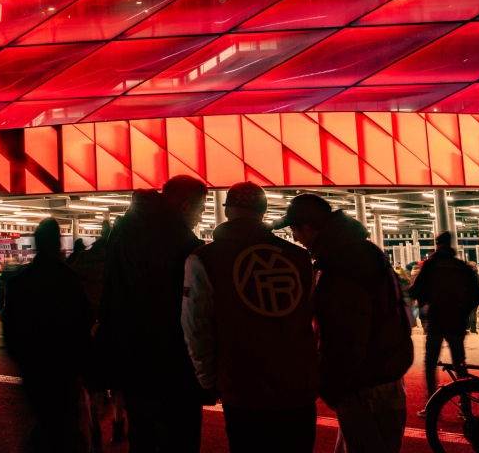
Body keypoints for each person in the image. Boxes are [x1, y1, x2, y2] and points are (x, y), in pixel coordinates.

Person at [183, 182, 318, 453]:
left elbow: (196, 327)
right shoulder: (300, 257)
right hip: (297, 389)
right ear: (264, 210)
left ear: (228, 211)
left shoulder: (204, 258)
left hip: (242, 388)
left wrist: (209, 379)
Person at [275, 193, 413, 453]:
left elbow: (346, 339)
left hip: (366, 386)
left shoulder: (344, 266)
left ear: (310, 229)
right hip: (377, 378)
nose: (294, 238)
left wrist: (330, 387)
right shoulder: (359, 252)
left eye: (295, 230)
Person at [98, 176, 209, 453]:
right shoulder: (183, 244)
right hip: (174, 374)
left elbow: (110, 295)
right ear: (184, 207)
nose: (201, 215)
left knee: (141, 442)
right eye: (201, 208)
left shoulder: (123, 233)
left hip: (131, 369)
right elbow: (194, 315)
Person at [5, 218, 96, 452]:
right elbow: (84, 329)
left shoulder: (19, 283)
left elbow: (10, 331)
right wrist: (87, 372)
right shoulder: (69, 283)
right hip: (63, 372)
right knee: (67, 431)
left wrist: (24, 362)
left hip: (33, 372)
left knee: (44, 426)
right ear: (58, 245)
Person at [410, 231, 479, 416]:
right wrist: (463, 310)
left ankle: (432, 406)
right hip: (457, 322)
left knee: (430, 363)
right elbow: (476, 295)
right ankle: (465, 407)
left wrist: (429, 301)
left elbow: (416, 291)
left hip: (435, 320)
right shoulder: (462, 266)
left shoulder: (430, 265)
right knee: (460, 364)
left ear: (437, 244)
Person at [71, 218, 124, 451]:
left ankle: (95, 436)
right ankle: (118, 426)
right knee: (120, 383)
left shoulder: (82, 259)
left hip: (86, 327)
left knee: (90, 389)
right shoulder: (121, 259)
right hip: (115, 325)